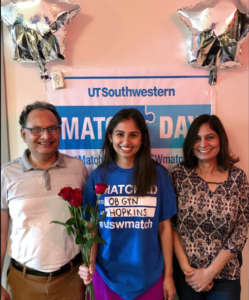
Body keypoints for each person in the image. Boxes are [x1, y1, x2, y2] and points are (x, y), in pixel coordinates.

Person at [78, 108, 177, 300]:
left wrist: (169, 275)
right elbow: (91, 227)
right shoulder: (98, 177)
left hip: (150, 276)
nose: (126, 142)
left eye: (133, 135)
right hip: (106, 277)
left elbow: (165, 228)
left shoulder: (158, 176)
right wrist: (89, 263)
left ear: (142, 139)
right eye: (120, 134)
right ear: (110, 137)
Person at [1, 101, 89, 300]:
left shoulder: (77, 169)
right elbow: (2, 232)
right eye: (36, 130)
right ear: (24, 134)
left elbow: (87, 223)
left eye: (52, 129)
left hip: (71, 278)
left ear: (60, 131)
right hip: (24, 281)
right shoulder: (7, 174)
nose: (46, 136)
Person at [171, 114, 249, 300]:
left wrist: (210, 273)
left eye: (210, 137)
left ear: (221, 139)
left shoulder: (238, 178)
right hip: (187, 274)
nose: (203, 144)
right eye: (197, 139)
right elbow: (170, 224)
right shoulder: (179, 175)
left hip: (226, 275)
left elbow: (241, 229)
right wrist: (187, 269)